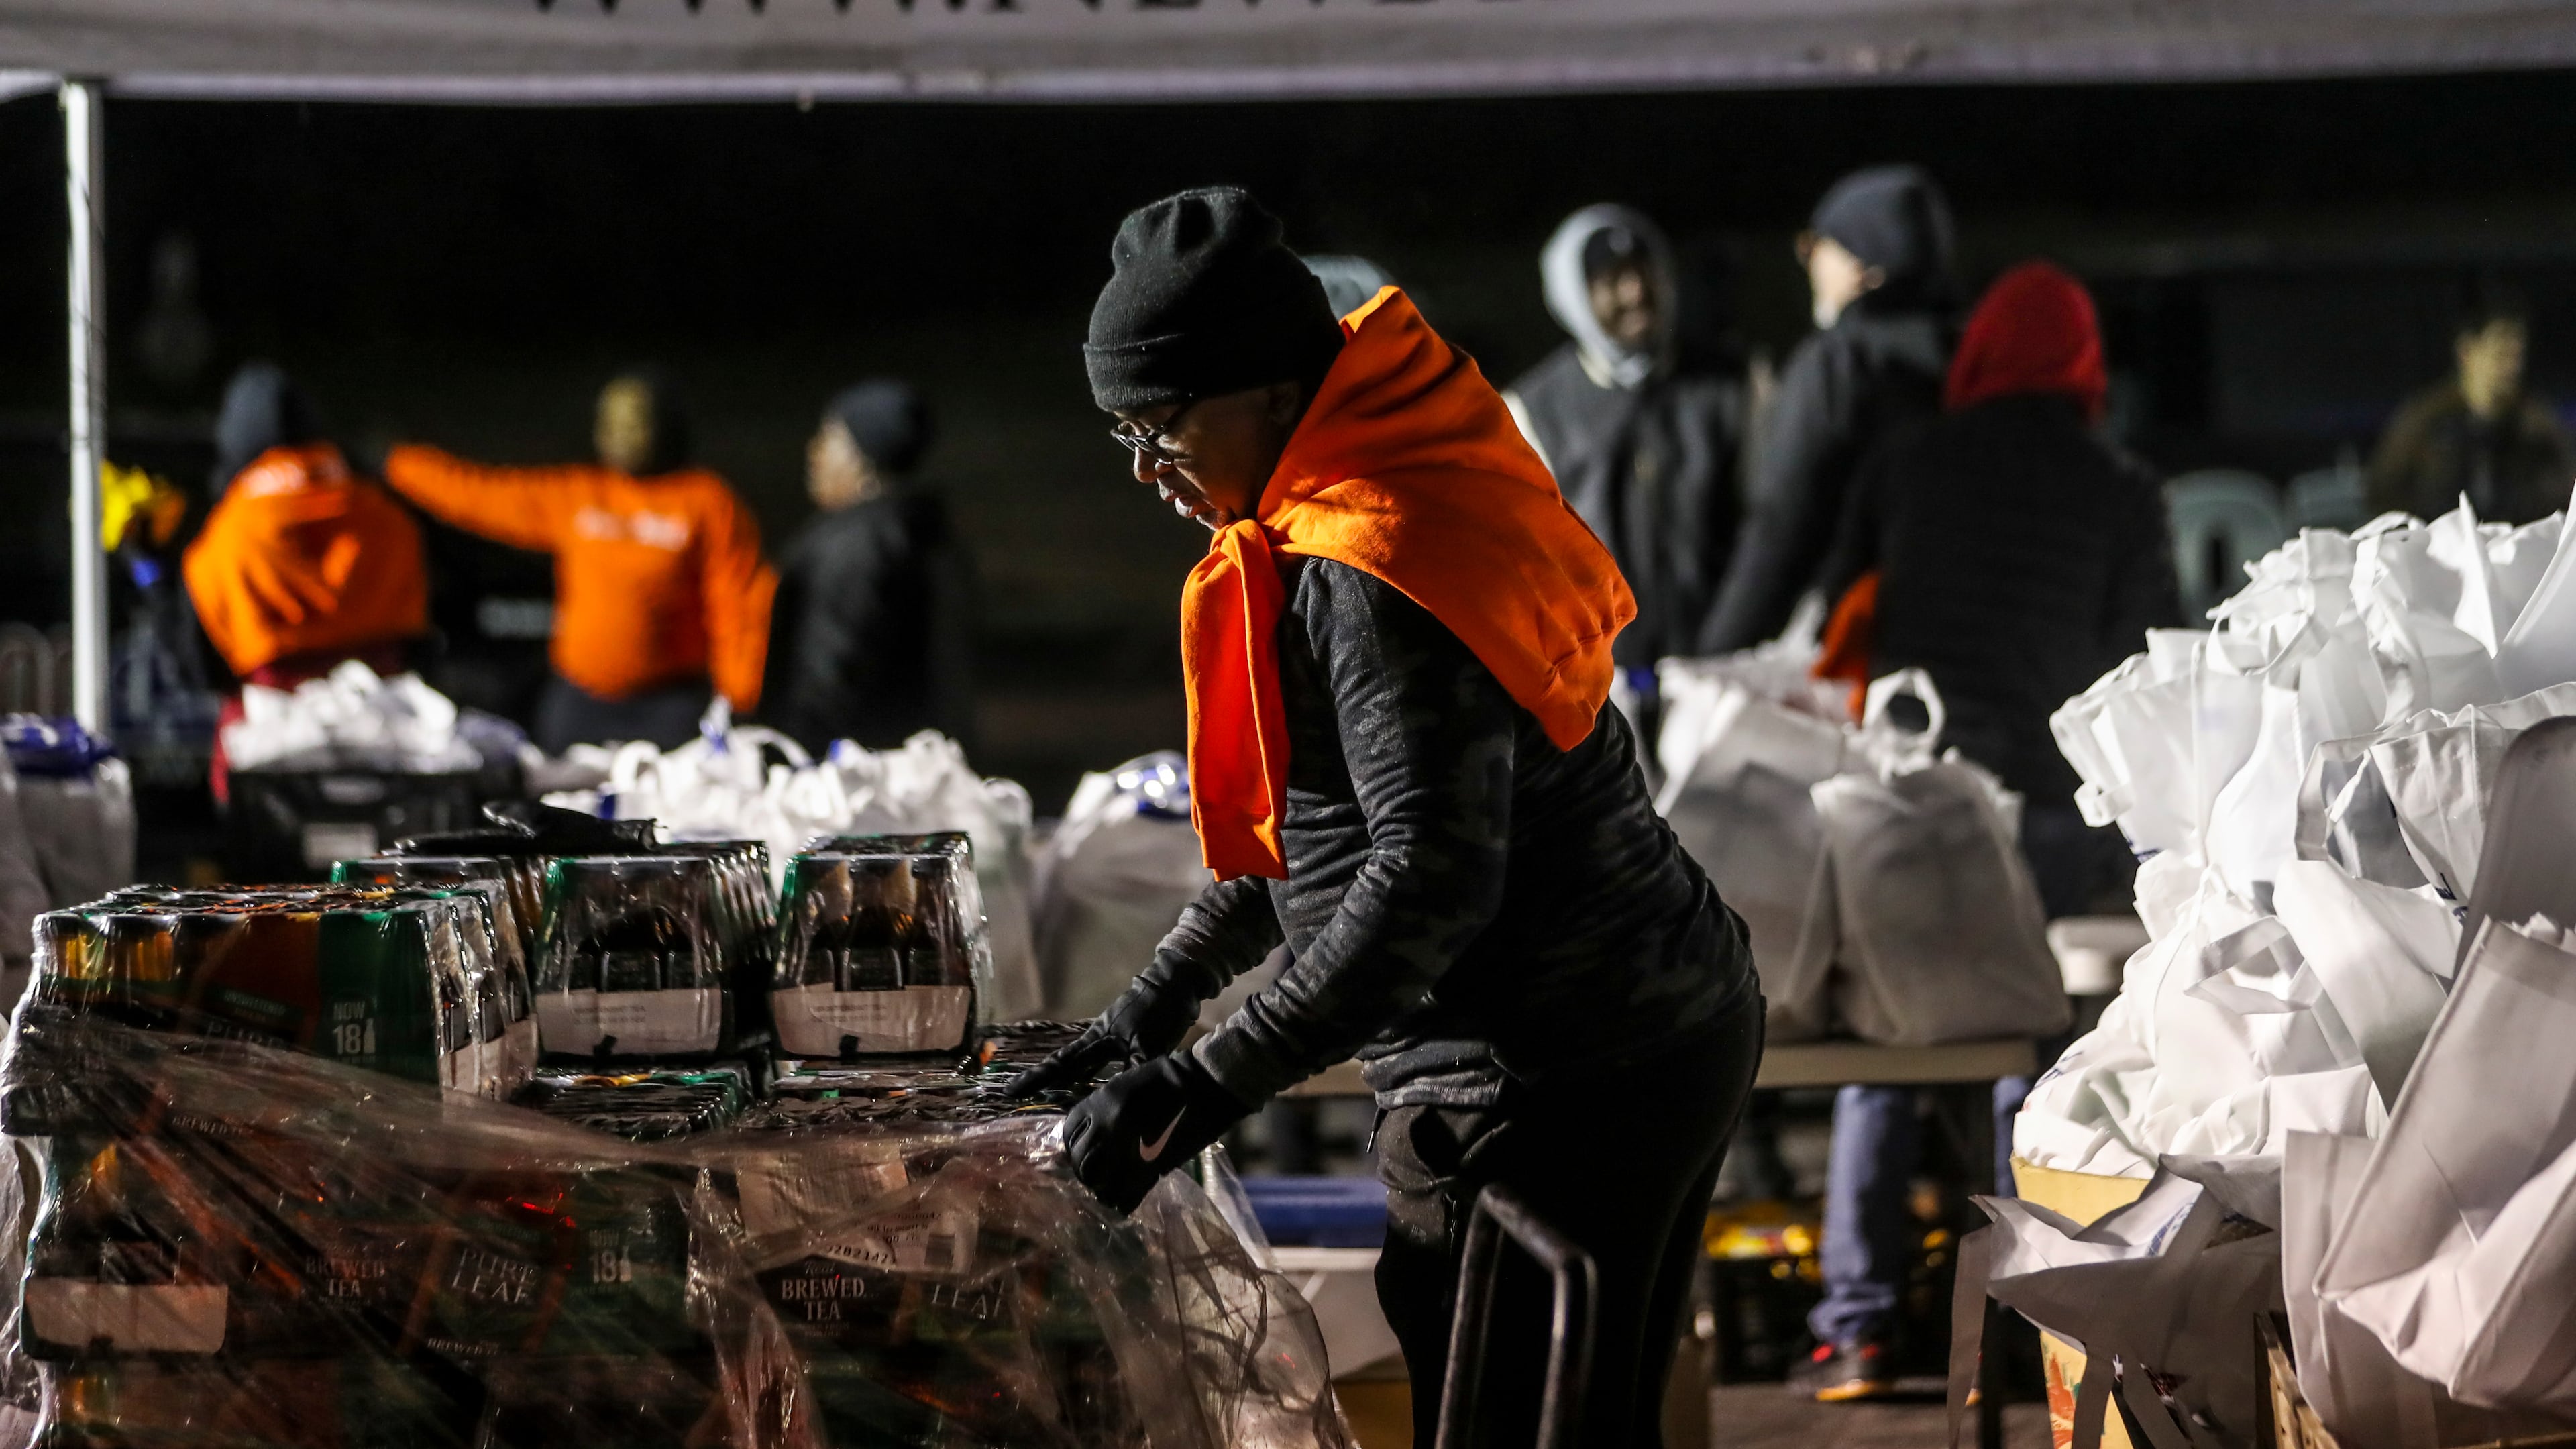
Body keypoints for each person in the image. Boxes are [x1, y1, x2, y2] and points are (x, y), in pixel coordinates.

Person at [1006, 187, 1762, 1446]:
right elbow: (1326, 829)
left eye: (1161, 426)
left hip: (1559, 1071)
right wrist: (1162, 996)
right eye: (1122, 437)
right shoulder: (1372, 479)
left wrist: (1202, 1085)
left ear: (1265, 388)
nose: (1147, 472)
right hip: (1657, 1027)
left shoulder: (1368, 561)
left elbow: (1425, 883)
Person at [1793, 263, 2181, 1403]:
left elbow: (1828, 608)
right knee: (2026, 1050)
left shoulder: (1910, 462)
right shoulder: (2119, 486)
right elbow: (2142, 666)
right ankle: (2020, 1326)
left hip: (1911, 810)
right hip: (2045, 820)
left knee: (1885, 1050)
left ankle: (1857, 1327)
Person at [380, 373, 774, 753]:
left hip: (668, 707)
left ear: (667, 426)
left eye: (635, 421)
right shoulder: (581, 493)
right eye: (611, 422)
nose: (620, 434)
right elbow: (481, 494)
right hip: (580, 703)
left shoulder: (707, 502)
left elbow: (739, 605)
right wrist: (401, 465)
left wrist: (740, 696)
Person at [1699, 164, 1958, 655]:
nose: (1810, 262)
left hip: (1860, 652)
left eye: (1817, 246)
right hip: (1979, 649)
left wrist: (1717, 654)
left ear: (1863, 261)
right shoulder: (1975, 359)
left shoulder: (1841, 364)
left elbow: (1782, 528)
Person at [1506, 205, 1748, 730]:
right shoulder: (1533, 412)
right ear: (1572, 295)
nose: (1636, 293)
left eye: (1645, 272)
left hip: (1724, 683)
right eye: (1611, 281)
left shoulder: (1735, 388)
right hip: (1599, 700)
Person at [183, 364, 429, 796]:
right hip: (384, 738)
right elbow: (422, 632)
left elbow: (200, 660)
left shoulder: (227, 531)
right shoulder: (386, 515)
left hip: (272, 742)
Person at [761, 380, 972, 755]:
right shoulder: (919, 529)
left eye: (829, 437)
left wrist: (791, 760)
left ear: (864, 455)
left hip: (850, 773)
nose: (814, 451)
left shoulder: (856, 546)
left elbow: (829, 679)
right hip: (909, 759)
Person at [2369, 288, 2576, 525]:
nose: (2512, 366)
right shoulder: (2423, 425)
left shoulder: (2540, 430)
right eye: (2500, 351)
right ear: (2467, 350)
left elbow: (2565, 497)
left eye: (2517, 354)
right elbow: (2383, 497)